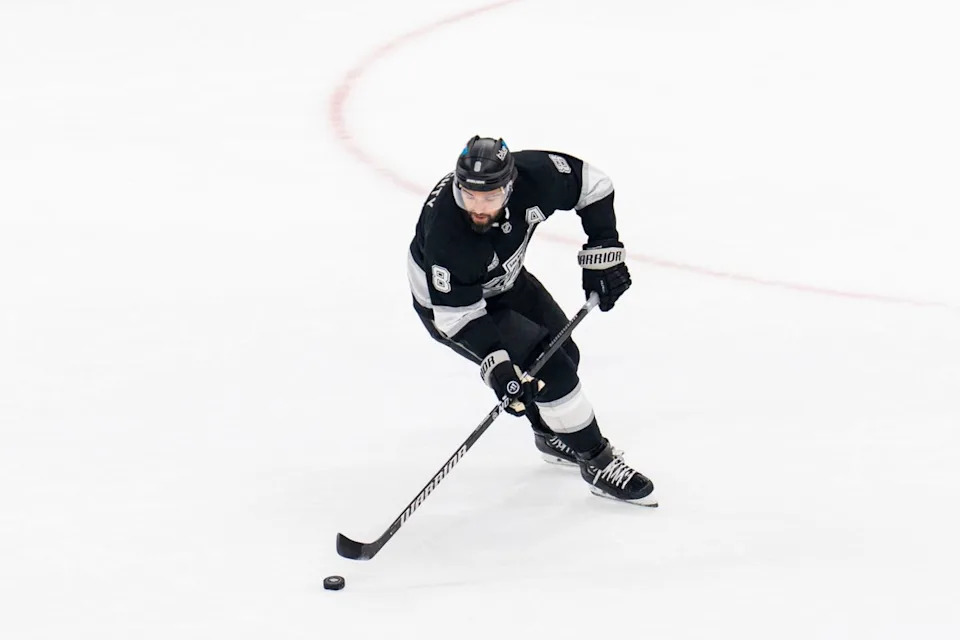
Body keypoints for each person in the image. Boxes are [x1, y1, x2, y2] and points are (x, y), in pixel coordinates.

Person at [407, 136, 655, 506]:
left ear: (510, 185)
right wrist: (499, 366)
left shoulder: (537, 175)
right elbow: (457, 318)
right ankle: (597, 462)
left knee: (565, 352)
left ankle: (549, 435)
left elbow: (594, 185)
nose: (478, 206)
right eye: (469, 195)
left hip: (505, 280)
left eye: (489, 197)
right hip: (450, 307)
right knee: (553, 372)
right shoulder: (448, 234)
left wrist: (603, 251)